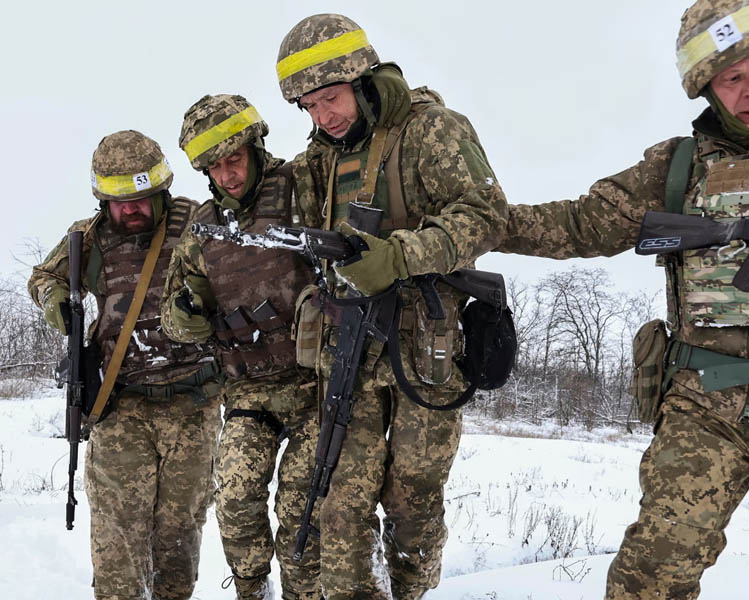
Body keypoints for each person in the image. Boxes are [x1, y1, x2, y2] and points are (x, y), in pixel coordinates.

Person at [498, 1, 749, 598]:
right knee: (646, 580)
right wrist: (477, 227)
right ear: (706, 87)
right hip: (702, 407)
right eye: (731, 78)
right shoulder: (676, 165)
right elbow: (581, 224)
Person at [275, 13, 508, 599]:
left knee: (414, 507)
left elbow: (485, 216)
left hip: (423, 351)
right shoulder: (318, 160)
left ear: (363, 79)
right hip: (347, 349)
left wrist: (400, 257)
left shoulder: (433, 130)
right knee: (339, 503)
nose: (323, 116)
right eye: (309, 106)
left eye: (330, 98)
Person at [28, 130, 221, 600]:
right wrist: (59, 304)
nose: (130, 210)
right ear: (102, 201)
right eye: (119, 203)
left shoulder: (199, 222)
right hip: (121, 409)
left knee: (178, 542)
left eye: (141, 199)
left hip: (193, 405)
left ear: (160, 190)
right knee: (118, 546)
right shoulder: (89, 237)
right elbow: (44, 278)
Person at [161, 94, 321, 600]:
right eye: (215, 166)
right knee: (233, 497)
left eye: (235, 160)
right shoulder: (202, 231)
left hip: (316, 386)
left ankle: (307, 593)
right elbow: (173, 314)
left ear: (255, 148)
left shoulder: (303, 188)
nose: (227, 175)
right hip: (250, 392)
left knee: (302, 506)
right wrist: (187, 318)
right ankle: (252, 590)